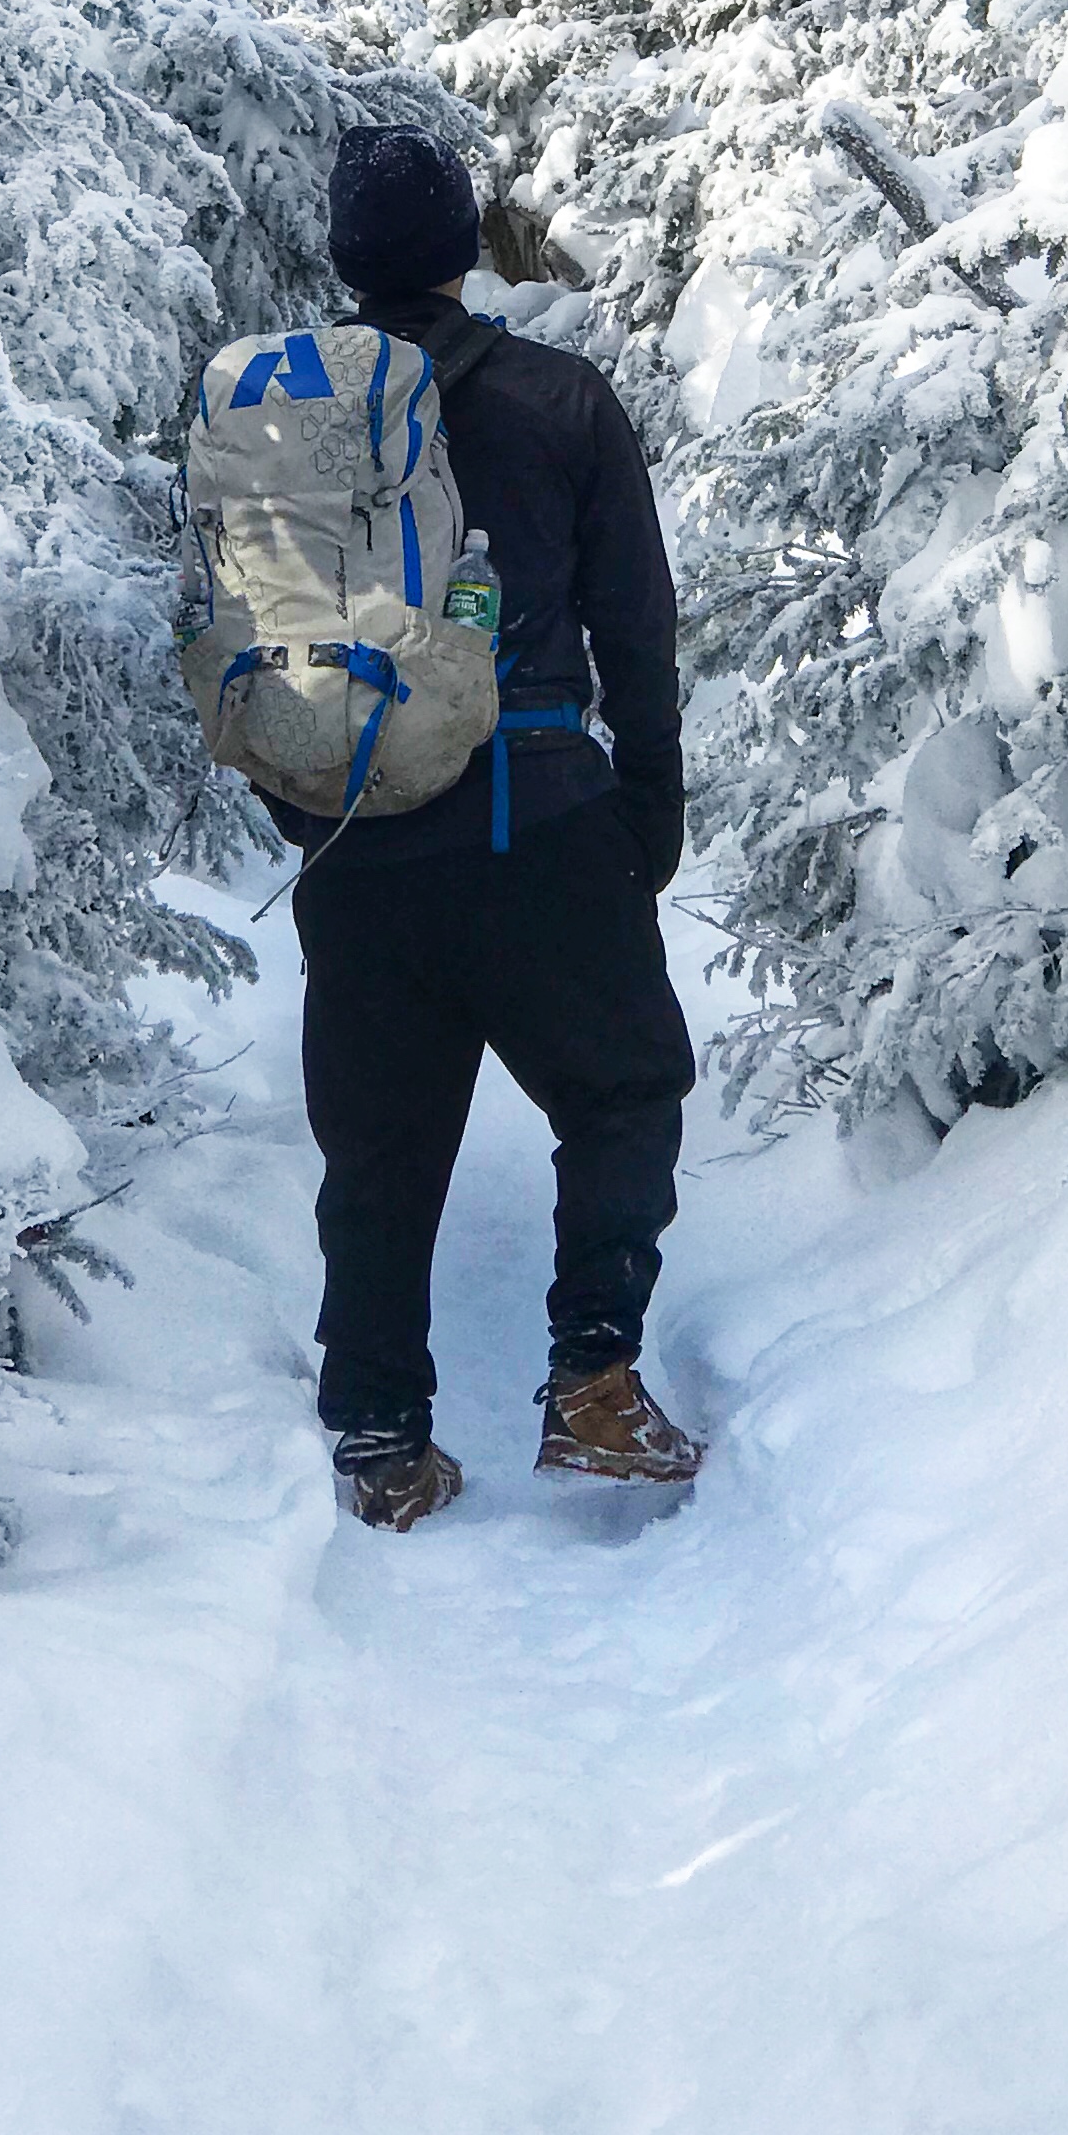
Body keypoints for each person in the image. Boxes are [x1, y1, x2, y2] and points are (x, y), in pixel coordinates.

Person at [278, 120, 702, 1532]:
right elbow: (635, 625)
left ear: (342, 259)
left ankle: (384, 1443)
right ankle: (593, 1388)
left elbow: (245, 646)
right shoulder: (559, 400)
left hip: (360, 843)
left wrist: (315, 816)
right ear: (466, 249)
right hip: (541, 824)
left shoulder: (280, 425)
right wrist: (647, 805)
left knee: (381, 1158)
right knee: (625, 1092)